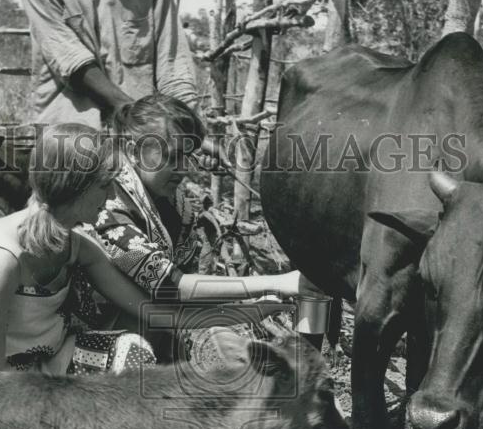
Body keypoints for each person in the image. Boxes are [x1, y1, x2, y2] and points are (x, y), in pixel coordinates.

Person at [72, 93, 322, 363]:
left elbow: (188, 297)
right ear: (134, 151)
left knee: (228, 351)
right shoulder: (108, 204)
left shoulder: (177, 205)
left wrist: (262, 307)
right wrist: (277, 283)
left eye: (188, 156)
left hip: (163, 322)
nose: (183, 168)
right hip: (107, 337)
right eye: (172, 156)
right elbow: (171, 287)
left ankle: (305, 373)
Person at [0, 123, 165, 375]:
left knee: (131, 352)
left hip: (36, 369)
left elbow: (145, 309)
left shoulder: (76, 247)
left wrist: (204, 319)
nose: (112, 197)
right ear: (74, 186)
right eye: (104, 185)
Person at [18, 0, 197, 129]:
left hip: (143, 139)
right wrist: (141, 117)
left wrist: (190, 128)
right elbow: (68, 57)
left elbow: (173, 65)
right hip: (68, 137)